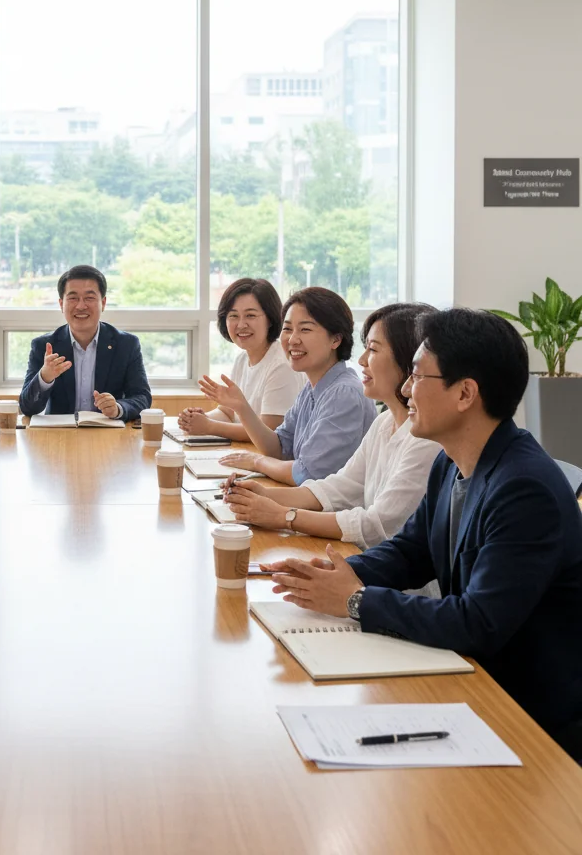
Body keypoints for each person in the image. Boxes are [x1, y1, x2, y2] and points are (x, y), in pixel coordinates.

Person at [265, 309, 582, 760]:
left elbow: (478, 623)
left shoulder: (524, 489)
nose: (406, 390)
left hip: (526, 714)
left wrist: (354, 600)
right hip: (469, 677)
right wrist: (328, 573)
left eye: (417, 376)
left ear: (465, 393)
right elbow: (411, 551)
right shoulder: (452, 461)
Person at [225, 303, 441, 548]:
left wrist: (284, 516)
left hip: (388, 573)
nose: (361, 360)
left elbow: (377, 525)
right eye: (288, 329)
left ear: (409, 359)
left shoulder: (426, 438)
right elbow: (340, 486)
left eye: (372, 349)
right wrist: (263, 495)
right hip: (365, 558)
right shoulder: (385, 421)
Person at [199, 286, 377, 484]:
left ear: (336, 339)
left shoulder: (344, 393)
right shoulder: (312, 388)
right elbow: (279, 448)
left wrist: (257, 462)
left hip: (334, 511)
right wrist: (241, 408)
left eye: (305, 329)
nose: (293, 339)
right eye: (288, 329)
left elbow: (306, 473)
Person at [19, 264, 152, 421]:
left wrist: (118, 408)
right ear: (61, 304)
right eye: (73, 298)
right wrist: (44, 378)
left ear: (103, 303)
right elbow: (27, 408)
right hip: (59, 436)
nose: (81, 306)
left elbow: (142, 397)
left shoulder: (126, 344)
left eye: (89, 298)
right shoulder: (45, 346)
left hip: (109, 435)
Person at [178, 278, 302, 441]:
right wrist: (198, 419)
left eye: (250, 315)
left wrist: (209, 426)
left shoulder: (281, 365)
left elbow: (270, 432)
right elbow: (227, 413)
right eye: (233, 316)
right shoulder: (242, 359)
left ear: (270, 319)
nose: (241, 324)